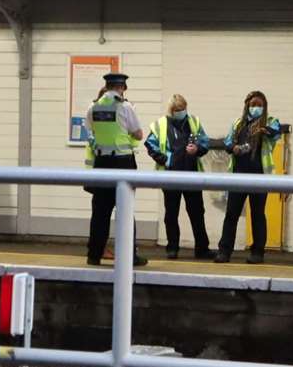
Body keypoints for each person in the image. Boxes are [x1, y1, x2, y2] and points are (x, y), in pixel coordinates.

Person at [83, 71, 150, 267]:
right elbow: (138, 134)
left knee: (100, 212)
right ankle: (130, 256)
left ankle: (94, 255)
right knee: (125, 210)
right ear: (122, 87)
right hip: (122, 163)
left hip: (101, 164)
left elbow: (91, 130)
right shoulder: (125, 106)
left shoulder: (93, 107)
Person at [214, 89, 282, 264]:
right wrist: (233, 147)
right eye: (253, 105)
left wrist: (263, 129)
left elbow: (276, 131)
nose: (256, 108)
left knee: (258, 214)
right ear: (246, 106)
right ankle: (224, 251)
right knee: (231, 213)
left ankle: (257, 252)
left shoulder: (270, 121)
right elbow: (228, 142)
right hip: (238, 175)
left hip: (260, 176)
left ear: (265, 107)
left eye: (260, 105)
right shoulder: (238, 123)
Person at [144, 94, 213, 260]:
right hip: (170, 175)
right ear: (171, 110)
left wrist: (196, 149)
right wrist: (167, 159)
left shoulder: (194, 122)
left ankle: (202, 248)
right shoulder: (161, 125)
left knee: (197, 212)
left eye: (183, 109)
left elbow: (205, 143)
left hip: (191, 173)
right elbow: (150, 145)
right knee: (171, 213)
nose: (181, 112)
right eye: (177, 110)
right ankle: (172, 248)